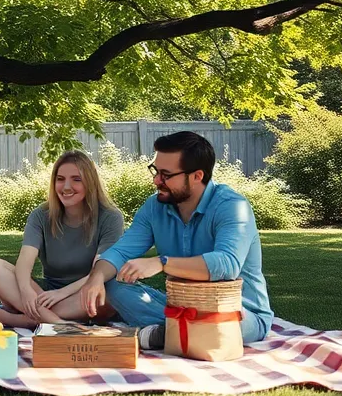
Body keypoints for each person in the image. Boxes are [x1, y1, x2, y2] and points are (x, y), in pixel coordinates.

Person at [77, 131, 274, 349]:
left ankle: (166, 333)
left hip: (236, 311)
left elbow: (227, 265)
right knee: (111, 282)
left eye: (166, 175)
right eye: (155, 171)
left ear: (197, 176)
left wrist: (161, 262)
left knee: (219, 321)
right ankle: (175, 333)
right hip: (178, 306)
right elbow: (120, 252)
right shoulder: (154, 207)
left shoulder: (233, 206)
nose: (156, 180)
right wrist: (95, 277)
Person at [0, 151, 124, 328]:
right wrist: (26, 291)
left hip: (85, 293)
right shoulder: (40, 216)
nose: (66, 187)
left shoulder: (110, 217)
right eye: (60, 179)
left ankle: (25, 320)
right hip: (47, 295)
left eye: (76, 179)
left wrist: (62, 294)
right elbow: (25, 261)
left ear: (91, 182)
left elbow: (100, 272)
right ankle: (58, 323)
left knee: (112, 294)